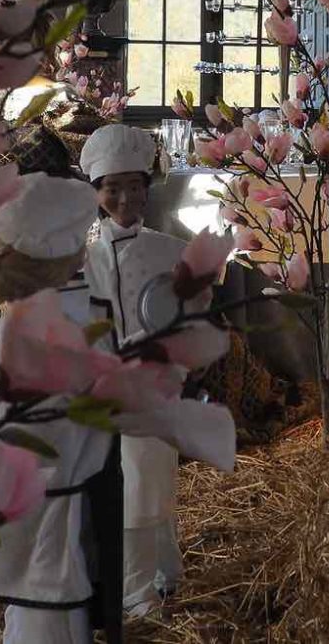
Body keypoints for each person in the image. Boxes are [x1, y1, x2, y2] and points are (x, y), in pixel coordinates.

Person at [79, 124, 212, 619]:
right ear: (97, 194)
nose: (126, 198)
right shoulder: (86, 257)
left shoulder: (167, 249)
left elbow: (195, 306)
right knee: (133, 482)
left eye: (135, 186)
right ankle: (137, 587)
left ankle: (158, 573)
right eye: (112, 189)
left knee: (152, 475)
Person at [0, 172, 113, 644]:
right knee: (50, 614)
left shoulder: (25, 310)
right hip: (52, 489)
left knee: (32, 609)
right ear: (67, 254)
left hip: (23, 485)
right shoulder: (60, 320)